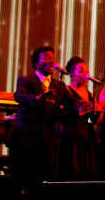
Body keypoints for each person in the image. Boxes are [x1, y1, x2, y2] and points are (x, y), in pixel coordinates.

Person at [10, 46, 68, 190]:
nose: (52, 61)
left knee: (46, 174)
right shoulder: (26, 80)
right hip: (28, 136)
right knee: (27, 174)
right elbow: (19, 96)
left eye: (53, 58)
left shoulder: (59, 85)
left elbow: (67, 106)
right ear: (36, 63)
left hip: (49, 137)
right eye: (47, 58)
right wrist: (38, 98)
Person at [58, 56, 100, 180]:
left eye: (87, 72)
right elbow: (62, 114)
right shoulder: (66, 91)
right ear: (72, 75)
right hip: (70, 133)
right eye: (81, 71)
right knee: (71, 167)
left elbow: (96, 120)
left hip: (85, 134)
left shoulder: (90, 95)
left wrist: (98, 110)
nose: (85, 75)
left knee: (86, 167)